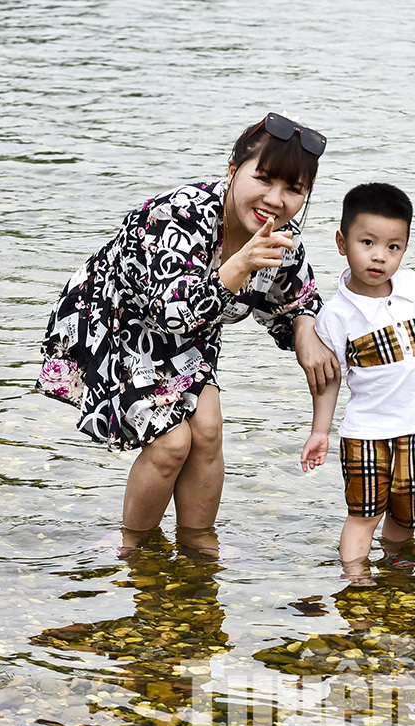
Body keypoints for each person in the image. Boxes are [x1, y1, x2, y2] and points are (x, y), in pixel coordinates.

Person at [36, 113, 340, 539]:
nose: (276, 199)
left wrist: (306, 330)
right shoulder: (178, 215)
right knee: (171, 443)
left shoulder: (282, 240)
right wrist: (243, 262)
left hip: (186, 337)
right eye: (265, 179)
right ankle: (134, 547)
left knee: (209, 429)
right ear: (232, 171)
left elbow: (299, 300)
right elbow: (171, 312)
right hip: (114, 320)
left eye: (294, 189)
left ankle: (198, 549)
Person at [300, 183, 415, 584]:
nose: (380, 255)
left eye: (393, 247)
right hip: (368, 431)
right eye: (368, 242)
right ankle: (355, 580)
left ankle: (396, 573)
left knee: (409, 508)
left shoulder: (413, 288)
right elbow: (329, 380)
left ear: (405, 250)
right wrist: (320, 431)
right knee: (364, 513)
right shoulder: (336, 316)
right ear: (342, 242)